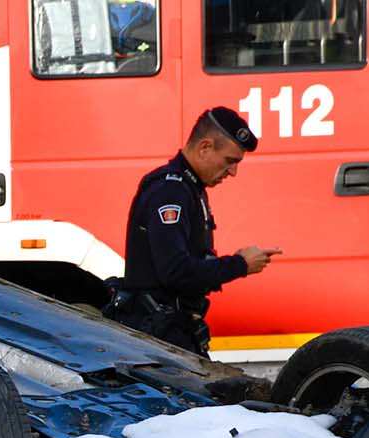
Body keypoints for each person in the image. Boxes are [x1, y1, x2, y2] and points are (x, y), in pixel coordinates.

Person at [104, 107, 280, 355]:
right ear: (205, 147)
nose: (233, 172)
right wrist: (239, 265)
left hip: (173, 330)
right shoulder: (170, 191)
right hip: (160, 335)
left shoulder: (189, 188)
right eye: (230, 161)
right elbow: (175, 271)